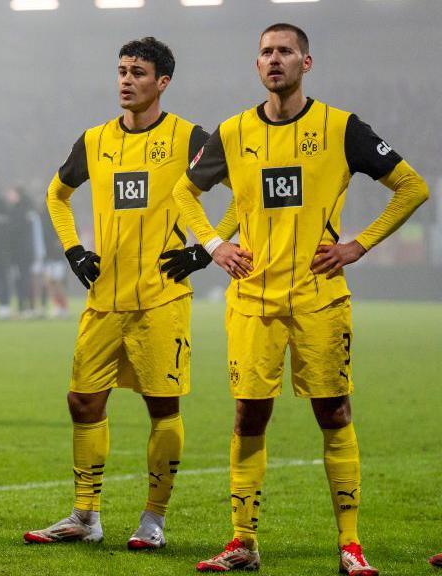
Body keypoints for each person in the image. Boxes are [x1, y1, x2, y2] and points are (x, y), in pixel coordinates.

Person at [174, 24, 429, 574]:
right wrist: (215, 245)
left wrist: (359, 243)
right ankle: (242, 542)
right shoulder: (233, 131)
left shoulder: (341, 127)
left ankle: (351, 545)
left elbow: (412, 186)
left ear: (306, 64)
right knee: (249, 417)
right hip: (252, 300)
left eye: (285, 51)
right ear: (257, 63)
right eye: (265, 52)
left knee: (334, 412)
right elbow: (183, 192)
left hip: (319, 298)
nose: (274, 60)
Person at [24, 37, 233, 550]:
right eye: (121, 70)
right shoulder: (94, 140)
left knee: (162, 407)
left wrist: (206, 249)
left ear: (162, 82)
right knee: (82, 401)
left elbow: (241, 191)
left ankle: (153, 518)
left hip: (161, 298)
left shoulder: (190, 138)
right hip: (105, 297)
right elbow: (57, 194)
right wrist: (74, 249)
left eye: (138, 72)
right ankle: (85, 515)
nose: (125, 80)